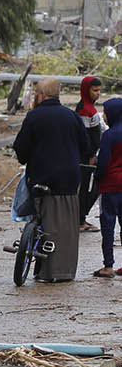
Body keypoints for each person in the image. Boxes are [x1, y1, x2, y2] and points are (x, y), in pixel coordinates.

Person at [14, 78, 93, 281]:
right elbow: (86, 147)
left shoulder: (34, 116)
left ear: (41, 94)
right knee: (65, 226)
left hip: (42, 178)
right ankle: (63, 271)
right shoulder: (71, 116)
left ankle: (45, 269)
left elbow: (21, 149)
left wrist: (28, 157)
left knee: (44, 219)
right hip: (69, 180)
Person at [92, 97, 122, 277]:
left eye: (105, 111)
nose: (103, 115)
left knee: (108, 225)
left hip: (110, 186)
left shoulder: (109, 135)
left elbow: (102, 162)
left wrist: (97, 176)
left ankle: (108, 266)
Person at [77, 76, 104, 231]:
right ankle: (80, 220)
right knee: (86, 188)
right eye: (94, 90)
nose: (98, 93)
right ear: (86, 91)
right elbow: (85, 137)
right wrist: (91, 155)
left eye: (99, 90)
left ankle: (81, 218)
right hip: (86, 157)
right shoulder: (85, 110)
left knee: (89, 187)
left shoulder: (89, 108)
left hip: (89, 155)